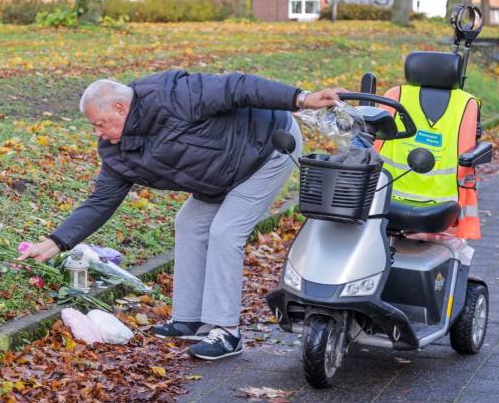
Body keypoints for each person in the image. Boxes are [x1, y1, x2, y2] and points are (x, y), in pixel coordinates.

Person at [19, 70, 341, 360]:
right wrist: (55, 243)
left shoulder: (173, 95)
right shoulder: (117, 150)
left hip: (267, 148)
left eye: (99, 124)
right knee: (189, 223)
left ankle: (227, 332)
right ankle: (190, 319)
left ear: (120, 108)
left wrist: (301, 99)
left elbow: (238, 87)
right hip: (221, 172)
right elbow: (100, 202)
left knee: (225, 231)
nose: (98, 133)